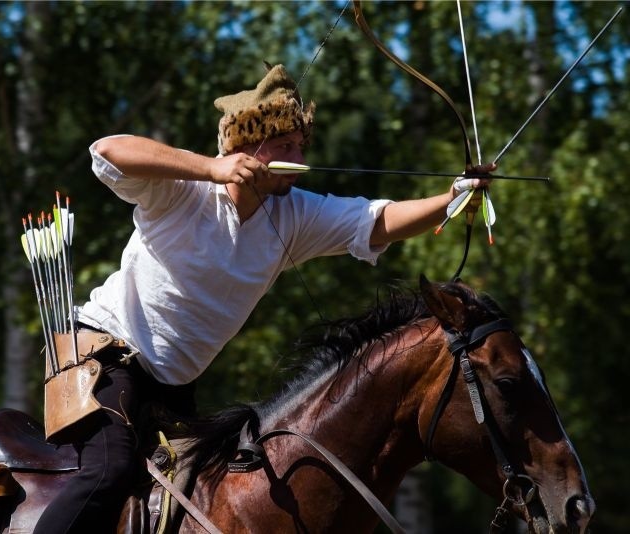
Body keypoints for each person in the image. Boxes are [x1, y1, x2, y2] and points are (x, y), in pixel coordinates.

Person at [33, 63, 494, 533]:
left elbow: (376, 222)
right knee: (107, 472)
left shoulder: (293, 214)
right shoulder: (183, 191)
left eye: (300, 145)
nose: (299, 157)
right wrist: (212, 167)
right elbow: (108, 152)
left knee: (198, 502)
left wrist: (452, 199)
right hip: (105, 357)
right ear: (247, 145)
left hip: (173, 391)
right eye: (285, 146)